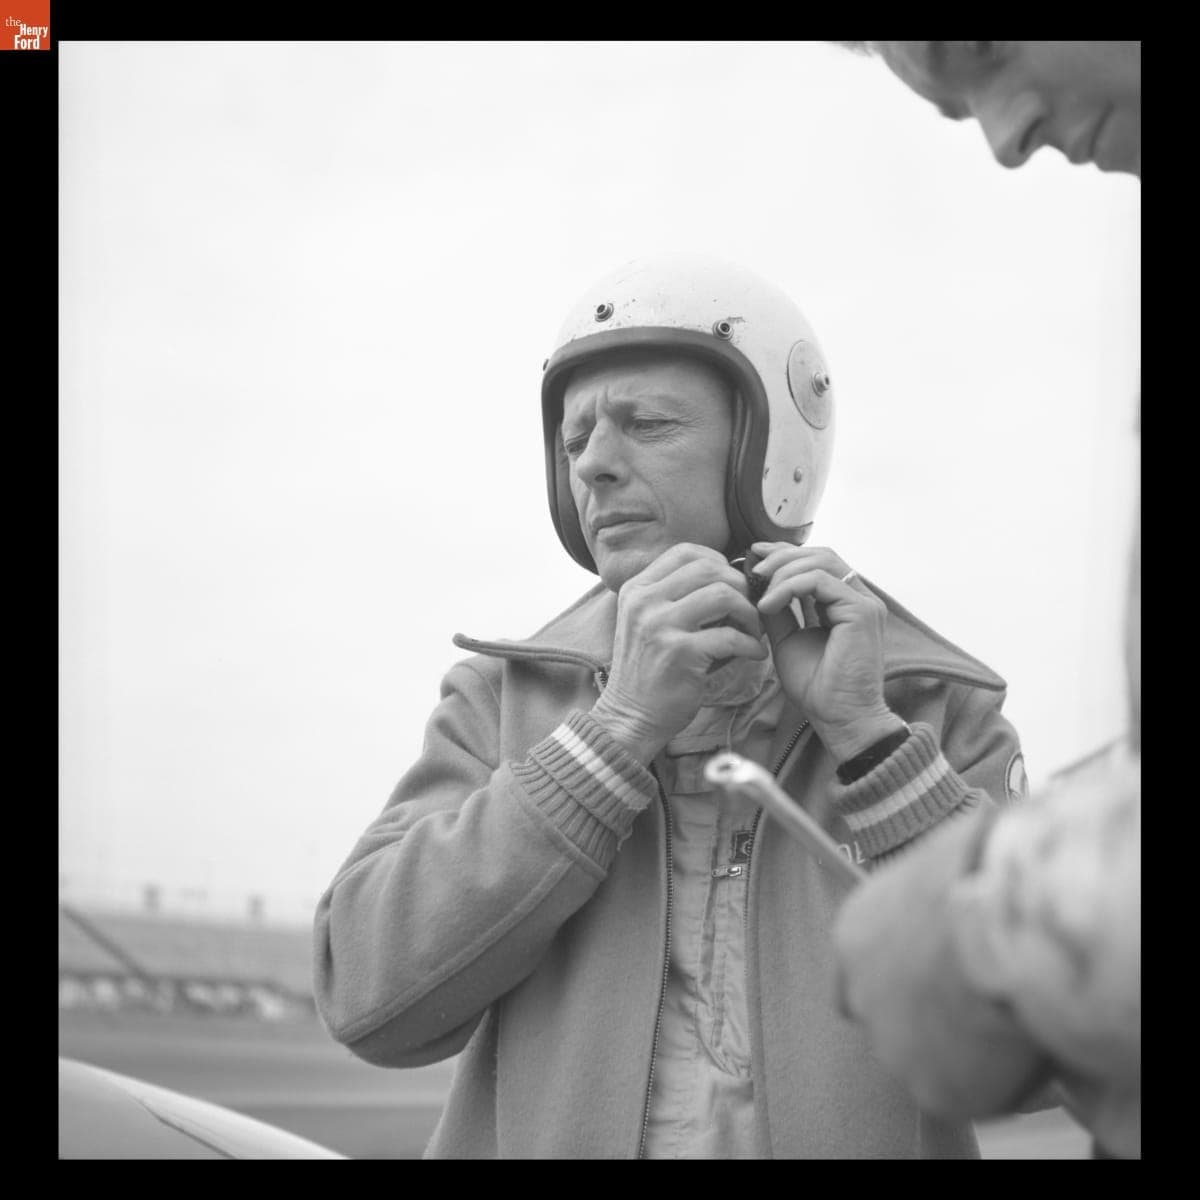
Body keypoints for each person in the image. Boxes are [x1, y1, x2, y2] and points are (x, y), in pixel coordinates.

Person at [313, 252, 1034, 1158]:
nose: (596, 467)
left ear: (767, 453)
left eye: (645, 424)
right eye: (574, 442)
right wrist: (612, 737)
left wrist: (871, 745)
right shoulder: (500, 702)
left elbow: (1045, 1046)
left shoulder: (932, 708)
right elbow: (367, 1001)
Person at [827, 42, 1140, 1160]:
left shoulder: (929, 692)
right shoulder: (500, 692)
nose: (1005, 142)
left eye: (987, 50)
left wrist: (978, 917)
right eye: (960, 113)